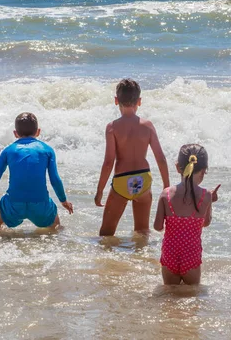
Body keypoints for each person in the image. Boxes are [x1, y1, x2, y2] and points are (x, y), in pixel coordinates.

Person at [94, 78, 170, 236]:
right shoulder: (148, 126)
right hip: (143, 180)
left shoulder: (112, 127)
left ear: (116, 100)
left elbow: (108, 162)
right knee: (142, 232)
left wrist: (100, 190)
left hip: (122, 180)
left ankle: (108, 260)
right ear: (139, 101)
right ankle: (140, 259)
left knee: (106, 233)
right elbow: (161, 159)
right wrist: (167, 187)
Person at [0, 112, 74, 229]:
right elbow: (55, 180)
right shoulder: (47, 150)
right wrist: (64, 202)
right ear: (38, 132)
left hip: (13, 204)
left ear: (15, 134)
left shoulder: (8, 151)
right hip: (41, 204)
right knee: (56, 228)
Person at [154, 144, 220, 285]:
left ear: (178, 167)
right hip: (191, 255)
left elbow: (157, 227)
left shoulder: (166, 194)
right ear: (203, 171)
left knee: (169, 296)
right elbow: (205, 223)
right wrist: (210, 203)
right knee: (192, 296)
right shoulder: (206, 195)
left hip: (169, 254)